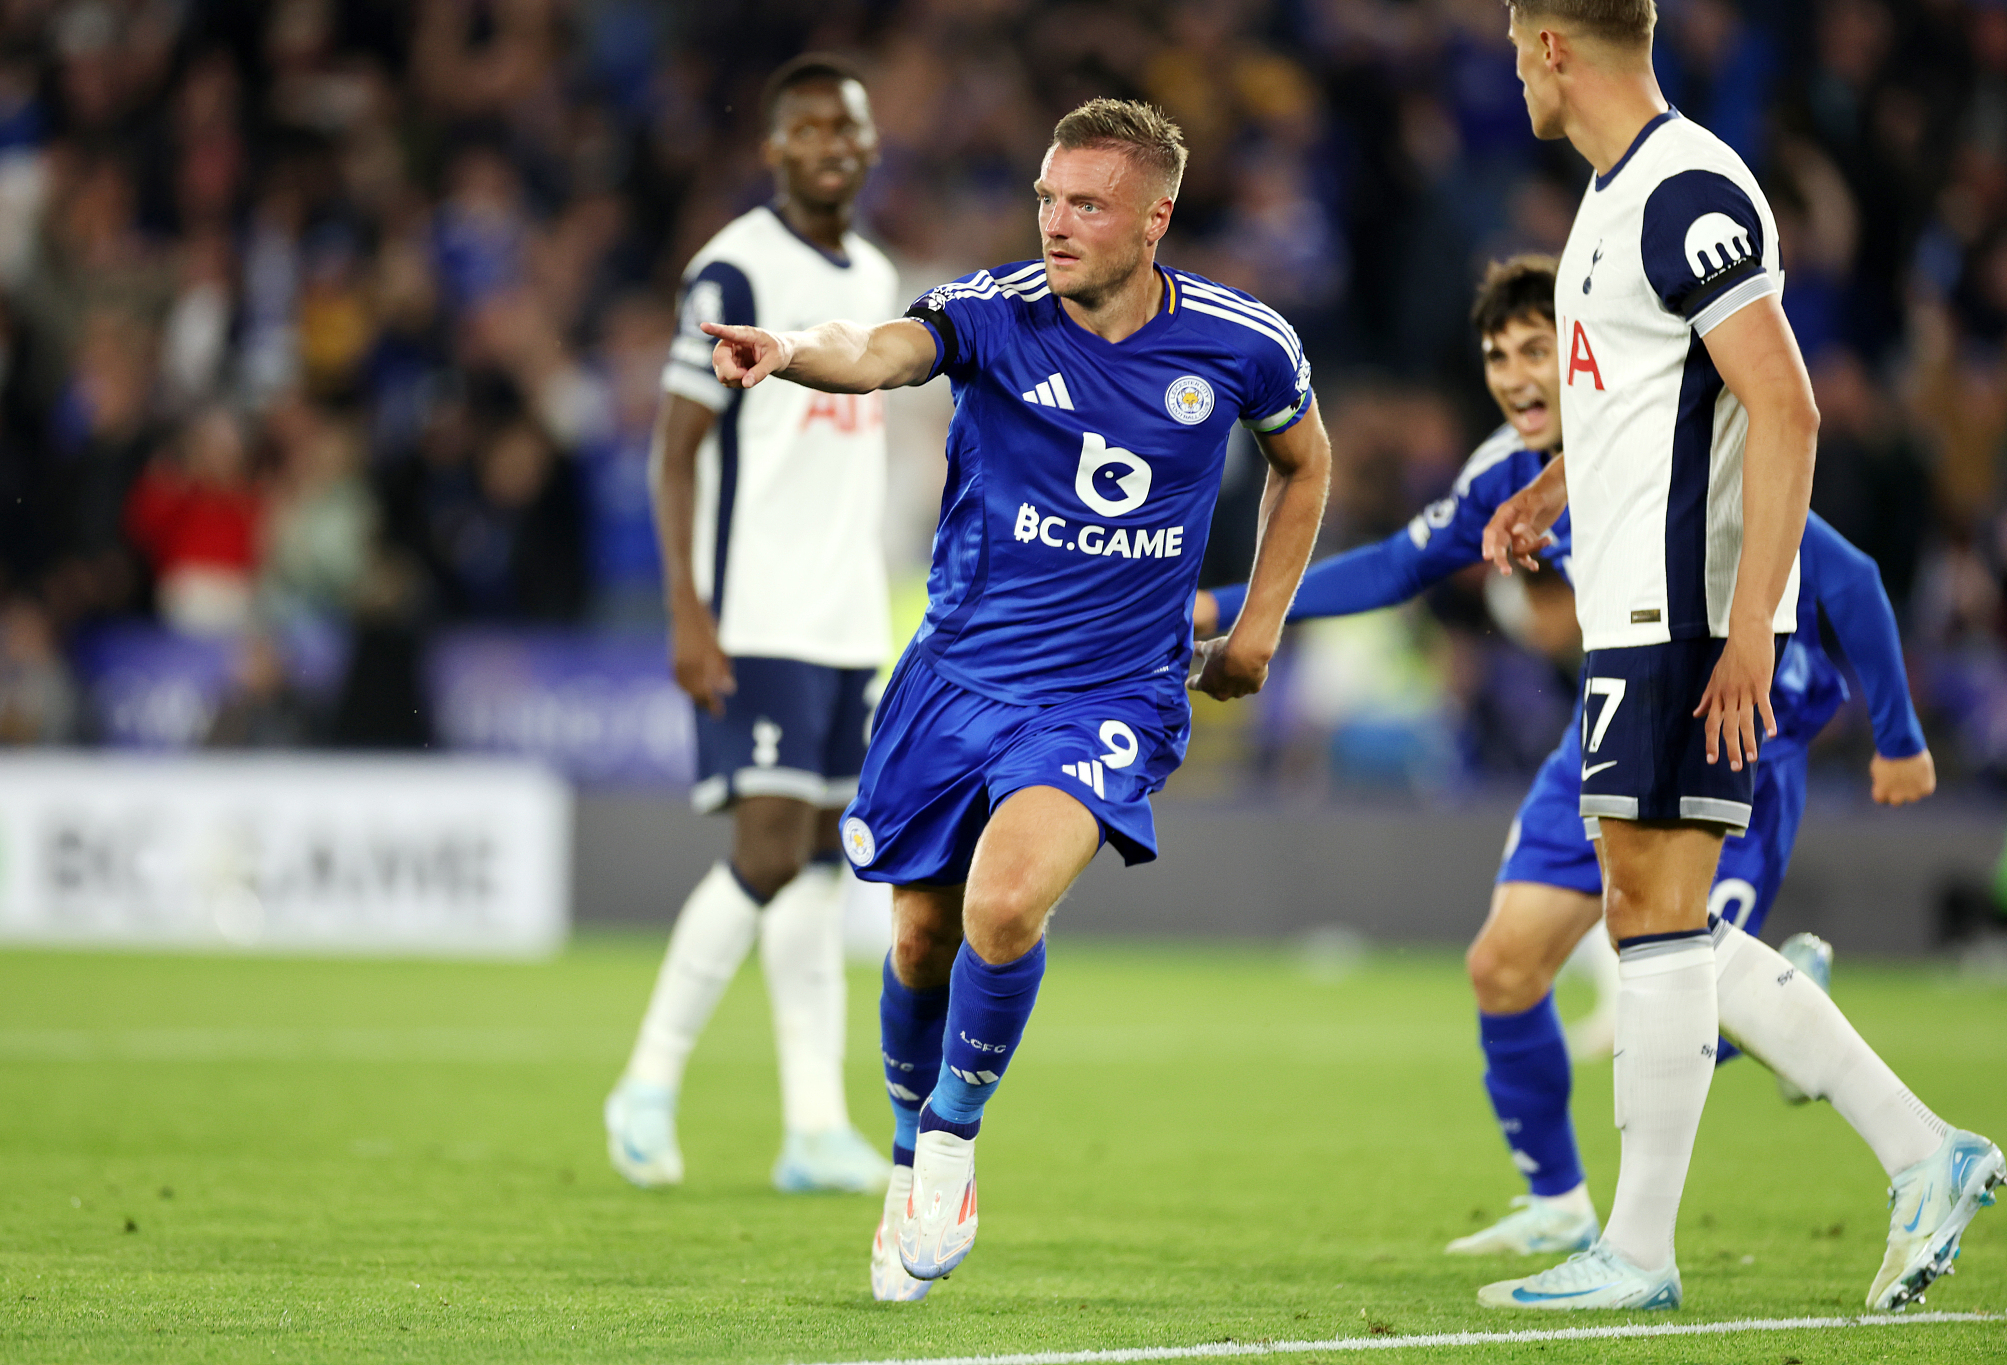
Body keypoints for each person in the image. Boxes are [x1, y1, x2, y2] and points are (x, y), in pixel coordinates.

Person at [1202, 255, 1988, 1310]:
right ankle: (1573, 1199)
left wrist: (1896, 736)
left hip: (1734, 721)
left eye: (1539, 349)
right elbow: (1397, 565)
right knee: (1507, 964)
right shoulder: (1506, 468)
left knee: (1664, 961)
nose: (1519, 375)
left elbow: (1842, 576)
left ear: (1584, 350)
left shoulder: (1669, 440)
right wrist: (1221, 607)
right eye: (1498, 355)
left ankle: (1854, 1119)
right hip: (1612, 712)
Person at [701, 98, 1331, 1300]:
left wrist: (1258, 624)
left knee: (1002, 905)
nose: (1054, 221)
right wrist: (789, 352)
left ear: (1155, 218)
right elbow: (880, 349)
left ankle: (949, 1138)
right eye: (1045, 196)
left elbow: (1308, 461)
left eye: (1085, 204)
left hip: (1104, 694)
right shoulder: (996, 314)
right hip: (954, 680)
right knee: (920, 936)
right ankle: (904, 1158)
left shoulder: (1242, 344)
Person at [1478, 1, 2003, 1312]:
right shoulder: (1609, 198)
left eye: (1514, 48)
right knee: (1656, 918)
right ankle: (1916, 1150)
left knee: (1654, 916)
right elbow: (1659, 405)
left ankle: (1644, 1253)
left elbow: (1785, 403)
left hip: (1688, 615)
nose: (1514, 75)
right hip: (1645, 610)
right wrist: (1556, 487)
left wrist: (1755, 627)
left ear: (1550, 46)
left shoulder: (1684, 187)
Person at [602, 55, 898, 1196]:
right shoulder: (731, 268)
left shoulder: (872, 271)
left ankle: (813, 1127)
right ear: (773, 148)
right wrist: (690, 610)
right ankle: (647, 1079)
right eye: (811, 127)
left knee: (823, 864)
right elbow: (674, 452)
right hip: (758, 609)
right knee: (768, 852)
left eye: (850, 126)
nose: (834, 141)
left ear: (870, 146)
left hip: (845, 621)